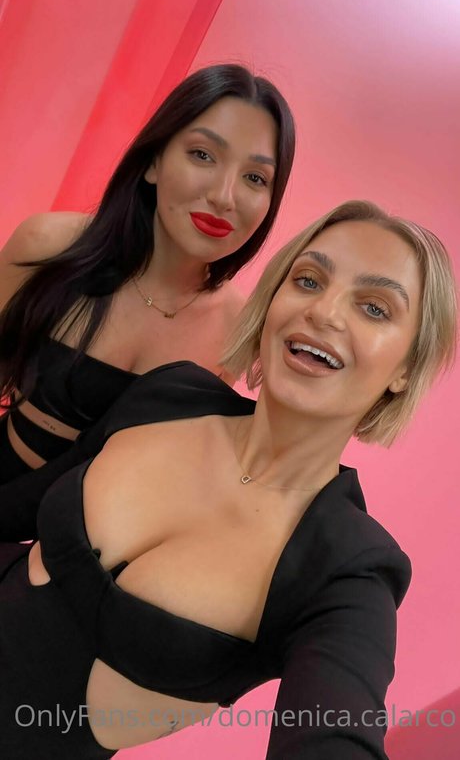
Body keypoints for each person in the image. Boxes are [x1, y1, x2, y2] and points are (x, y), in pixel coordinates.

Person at [0, 200, 457, 759]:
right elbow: (16, 508)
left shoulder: (350, 570)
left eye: (375, 308)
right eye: (308, 280)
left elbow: (335, 736)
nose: (325, 312)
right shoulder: (170, 394)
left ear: (406, 368)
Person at [0, 63, 295, 517]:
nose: (224, 195)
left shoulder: (238, 330)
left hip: (75, 550)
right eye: (203, 154)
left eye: (255, 178)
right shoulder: (48, 245)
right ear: (154, 161)